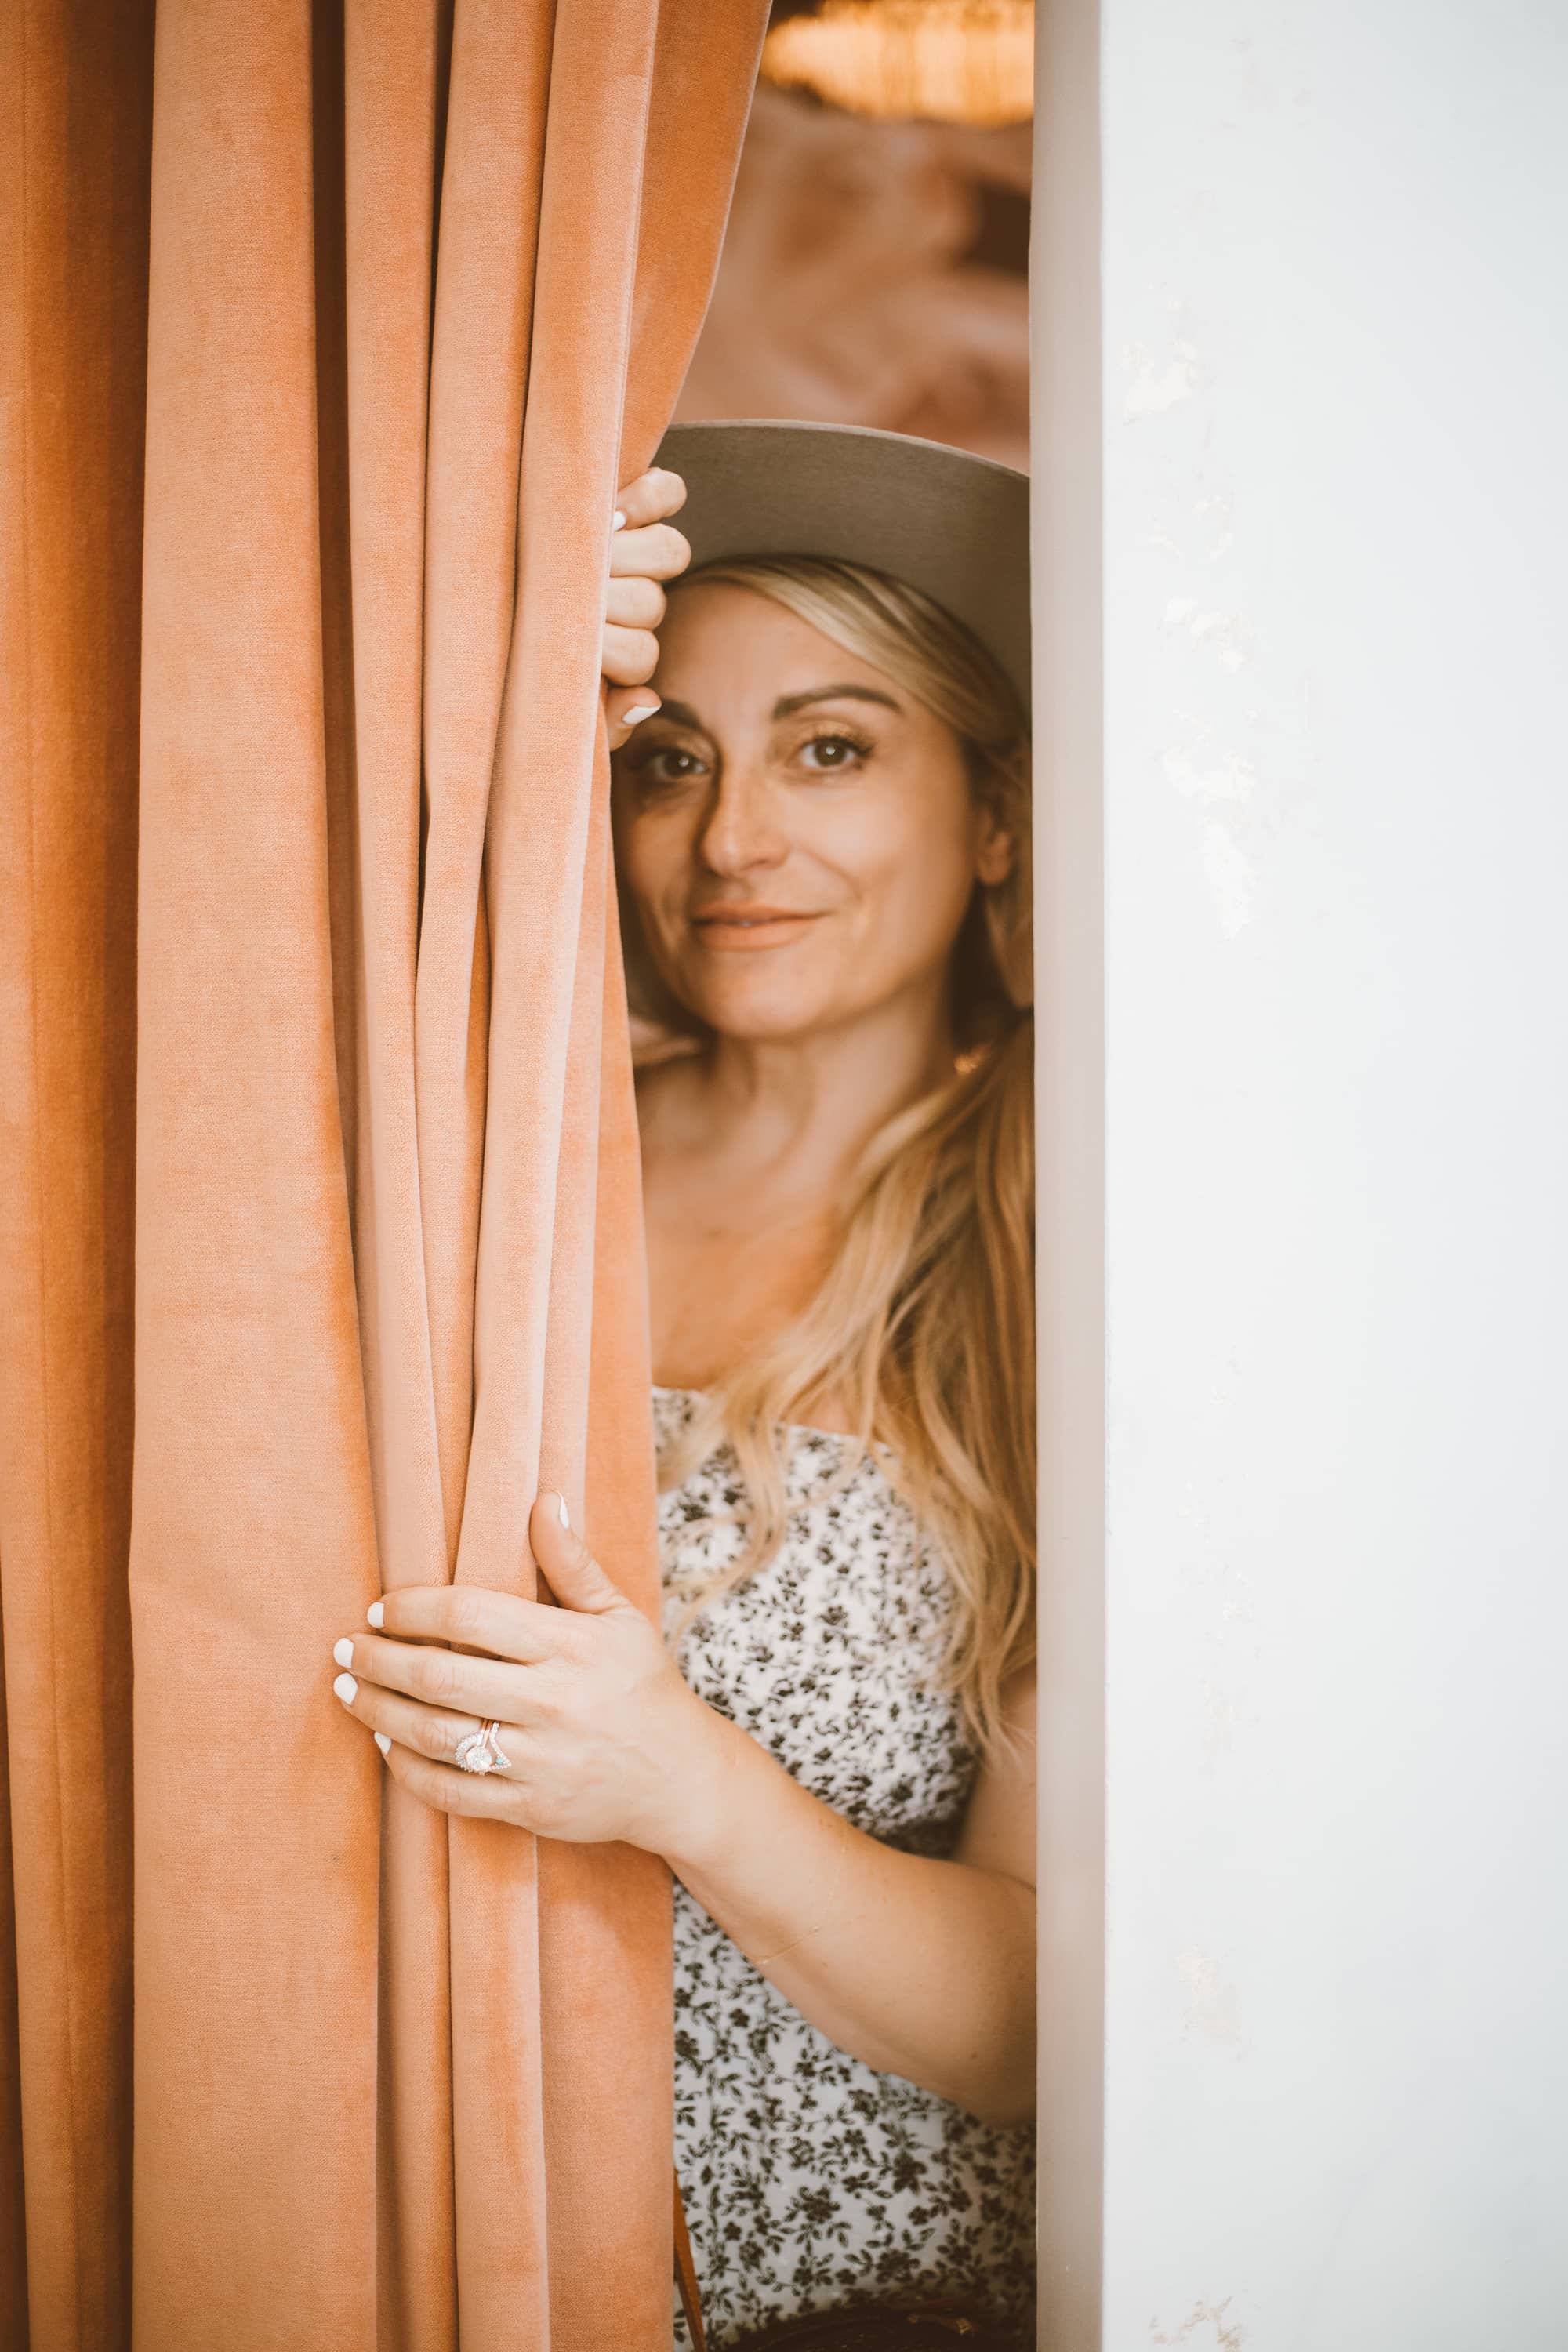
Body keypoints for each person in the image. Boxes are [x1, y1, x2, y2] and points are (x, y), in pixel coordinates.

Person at [328, 423, 1038, 2345]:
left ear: (994, 816)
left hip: (849, 2311)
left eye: (830, 746)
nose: (733, 842)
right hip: (399, 2240)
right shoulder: (499, 1162)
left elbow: (1037, 2023)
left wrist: (677, 1783)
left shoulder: (1068, 1264)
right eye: (670, 762)